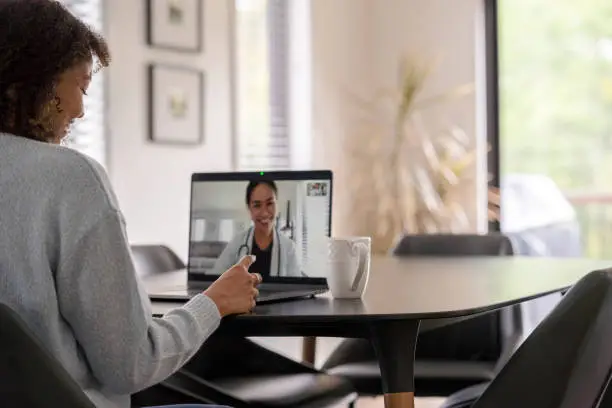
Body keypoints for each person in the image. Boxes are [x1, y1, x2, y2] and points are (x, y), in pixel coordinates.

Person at [0, 2, 260, 408]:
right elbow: (131, 365)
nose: (81, 110)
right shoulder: (70, 178)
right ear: (41, 80)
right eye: (81, 87)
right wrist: (215, 302)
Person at [210, 181, 303, 278]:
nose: (264, 213)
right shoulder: (237, 243)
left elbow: (296, 287)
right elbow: (213, 279)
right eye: (257, 205)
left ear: (277, 205)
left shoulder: (289, 247)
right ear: (249, 209)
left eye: (270, 203)